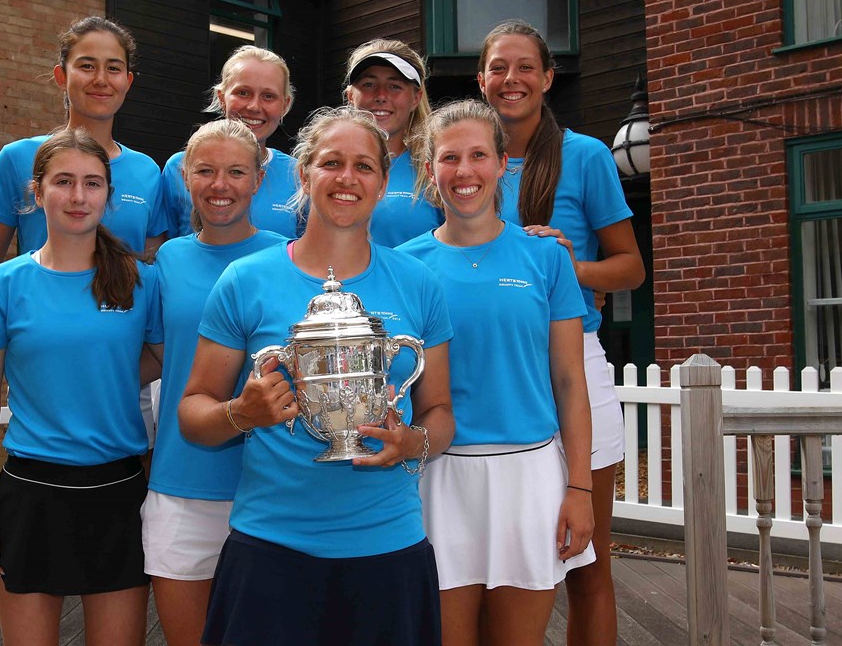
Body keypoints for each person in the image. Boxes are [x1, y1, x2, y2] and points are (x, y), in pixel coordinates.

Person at [178, 106, 455, 646]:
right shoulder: (245, 280)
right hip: (270, 551)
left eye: (364, 167)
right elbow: (194, 413)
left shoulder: (418, 283)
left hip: (388, 549)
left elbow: (441, 412)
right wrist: (241, 413)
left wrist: (412, 442)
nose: (347, 178)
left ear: (381, 183)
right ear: (304, 175)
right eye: (331, 163)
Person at [399, 99, 594, 645]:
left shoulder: (547, 257)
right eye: (450, 157)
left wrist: (579, 487)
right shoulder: (403, 264)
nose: (465, 172)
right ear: (430, 168)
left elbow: (570, 383)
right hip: (437, 476)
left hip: (530, 477)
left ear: (503, 163)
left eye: (479, 155)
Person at [477, 20, 646, 646]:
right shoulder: (466, 159)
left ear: (548, 78)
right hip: (492, 372)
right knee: (493, 565)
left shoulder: (586, 155)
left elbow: (629, 267)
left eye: (525, 67)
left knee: (586, 561)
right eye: (498, 67)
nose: (510, 79)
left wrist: (565, 266)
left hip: (574, 364)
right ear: (481, 79)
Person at [0, 128, 163, 646]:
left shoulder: (142, 282)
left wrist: (98, 378)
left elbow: (160, 361)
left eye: (93, 184)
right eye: (64, 182)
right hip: (30, 494)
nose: (79, 197)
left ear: (109, 195)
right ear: (37, 193)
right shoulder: (3, 282)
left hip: (118, 492)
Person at [144, 119, 287, 645]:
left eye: (235, 172)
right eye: (205, 171)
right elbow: (153, 355)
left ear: (258, 179)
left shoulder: (289, 255)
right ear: (185, 176)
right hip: (181, 484)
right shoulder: (169, 259)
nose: (219, 185)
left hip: (271, 486)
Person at [0, 15, 167, 304]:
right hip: (40, 329)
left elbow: (150, 268)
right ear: (61, 76)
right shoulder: (17, 158)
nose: (100, 79)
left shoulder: (146, 171)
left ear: (128, 81)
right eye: (86, 66)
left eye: (113, 68)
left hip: (121, 338)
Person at [161, 45, 301, 239]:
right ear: (222, 97)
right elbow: (166, 250)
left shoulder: (298, 175)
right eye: (243, 93)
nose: (254, 106)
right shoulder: (178, 167)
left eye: (268, 96)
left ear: (284, 105)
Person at [343, 38, 443, 246]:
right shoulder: (321, 168)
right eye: (369, 84)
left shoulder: (435, 170)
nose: (381, 95)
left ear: (416, 98)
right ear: (350, 96)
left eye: (394, 86)